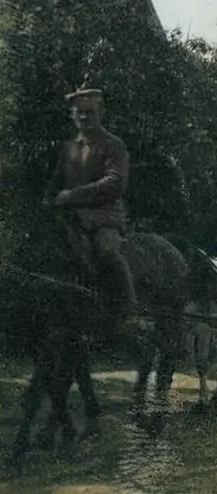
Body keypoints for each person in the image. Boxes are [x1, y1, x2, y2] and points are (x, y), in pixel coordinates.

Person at [43, 88, 138, 329]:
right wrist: (47, 201)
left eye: (89, 112)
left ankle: (128, 311)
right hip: (70, 216)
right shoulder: (68, 148)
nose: (84, 117)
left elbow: (115, 182)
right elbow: (55, 181)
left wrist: (73, 195)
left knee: (107, 253)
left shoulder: (113, 145)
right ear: (72, 115)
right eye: (79, 113)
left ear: (100, 112)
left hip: (104, 216)